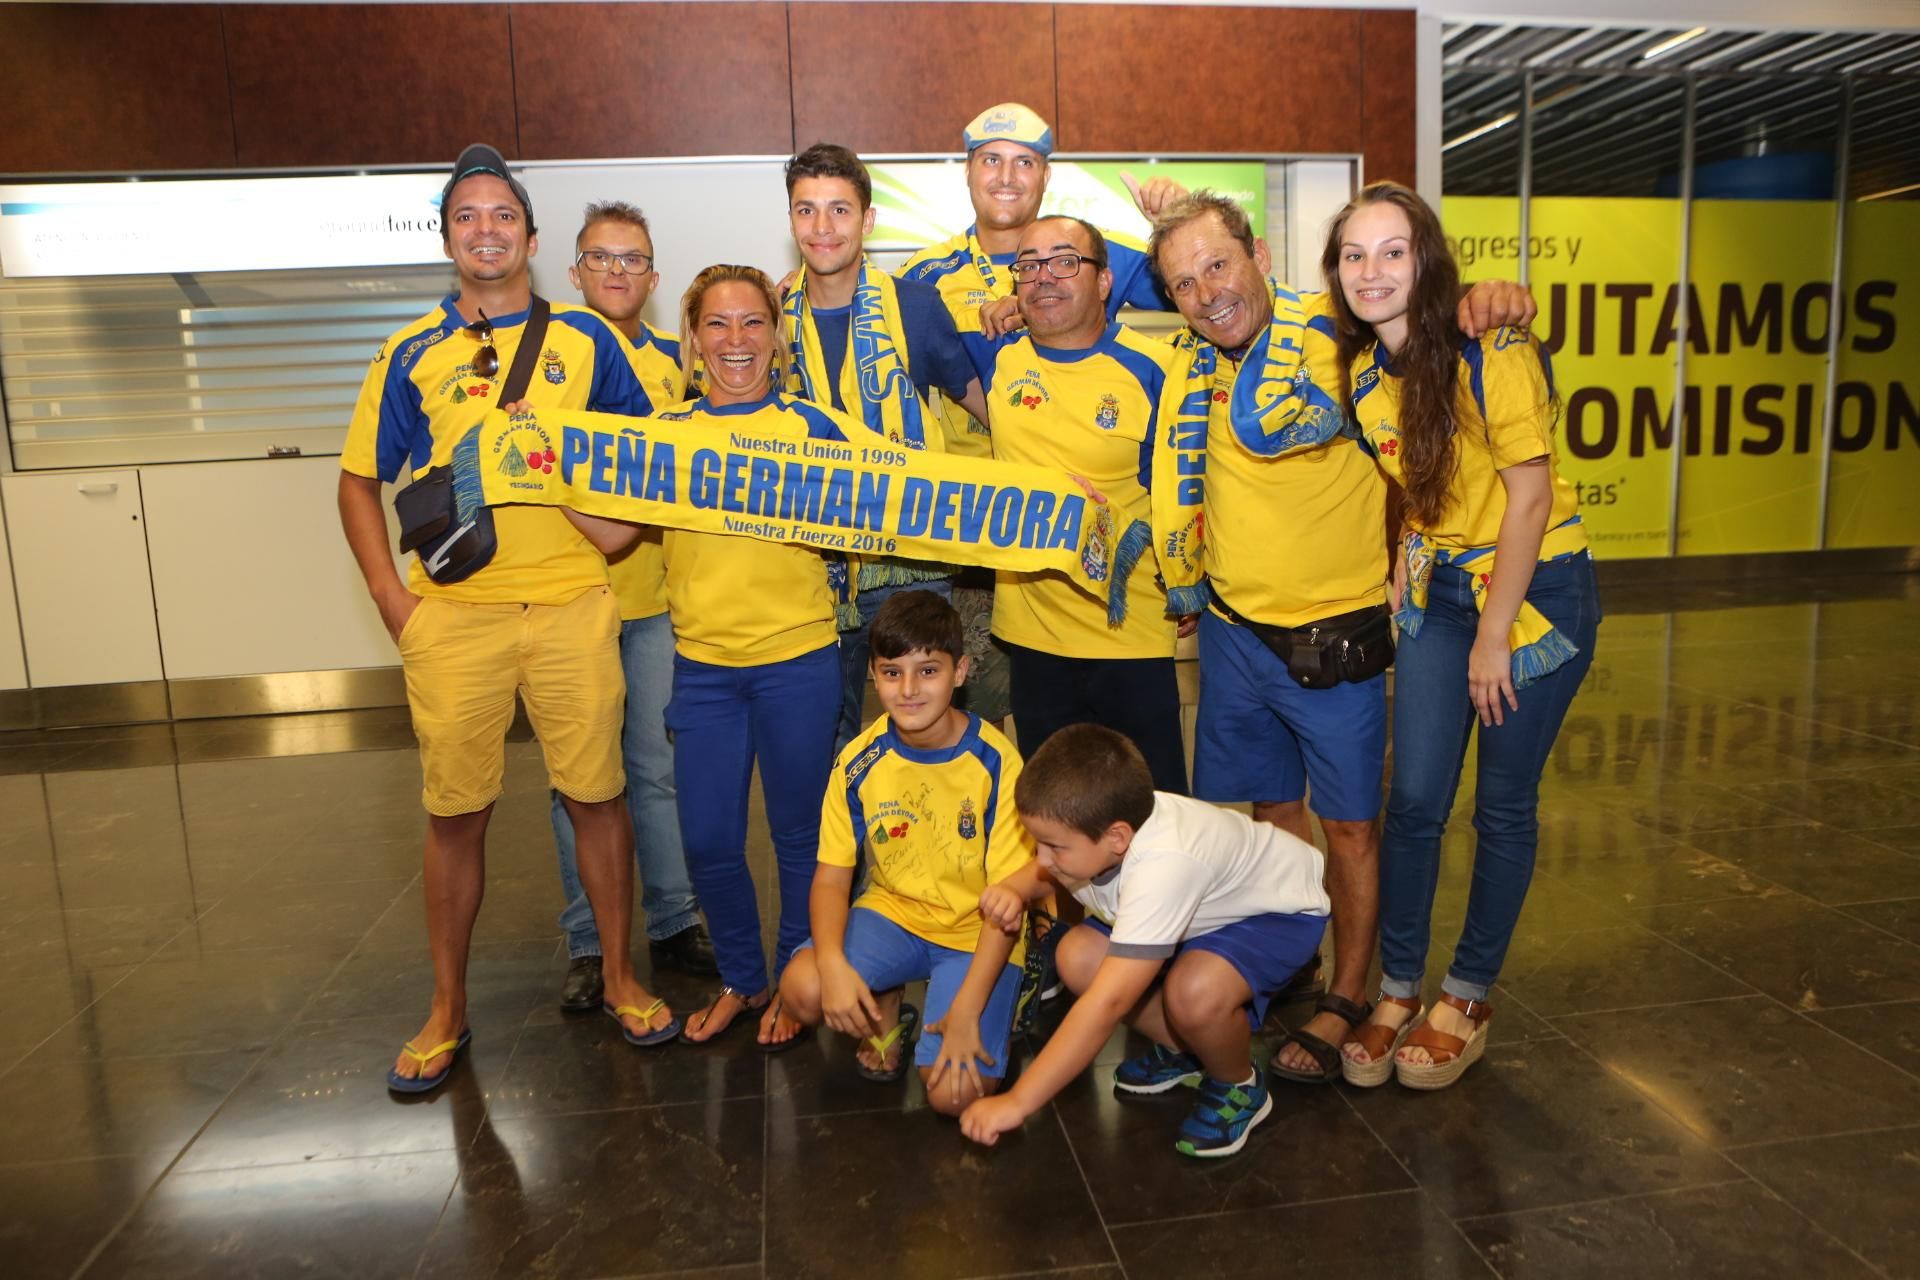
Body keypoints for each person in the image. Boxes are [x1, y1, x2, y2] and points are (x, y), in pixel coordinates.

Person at [1146, 191, 1536, 1084]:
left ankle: (1352, 993)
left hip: (1337, 638)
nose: (1207, 293)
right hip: (1236, 638)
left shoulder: (1340, 333)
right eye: (1183, 282)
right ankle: (1297, 963)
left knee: (1352, 830)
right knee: (1273, 817)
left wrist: (1497, 297)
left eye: (1218, 264)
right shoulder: (1188, 360)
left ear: (1259, 251)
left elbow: (1431, 322)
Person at [339, 144, 677, 1092]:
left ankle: (617, 976)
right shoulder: (410, 353)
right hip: (455, 619)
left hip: (574, 607)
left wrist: (604, 522)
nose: (485, 230)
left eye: (502, 216)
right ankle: (447, 1011)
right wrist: (393, 602)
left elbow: (640, 464)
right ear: (447, 236)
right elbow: (358, 482)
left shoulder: (587, 343)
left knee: (598, 798)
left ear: (530, 235)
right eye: (466, 217)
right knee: (456, 815)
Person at [1327, 182, 1599, 1090]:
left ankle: (1469, 992)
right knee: (1414, 801)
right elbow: (1420, 483)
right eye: (1354, 255)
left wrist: (1492, 637)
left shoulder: (1494, 350)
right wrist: (1412, 565)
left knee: (1503, 806)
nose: (1372, 271)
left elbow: (1529, 495)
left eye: (1392, 251)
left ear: (1427, 261)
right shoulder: (1365, 374)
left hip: (1533, 594)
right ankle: (1399, 989)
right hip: (1440, 590)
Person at [900, 103, 1181, 731]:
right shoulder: (922, 277)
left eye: (1024, 162)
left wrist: (1181, 224)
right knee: (987, 745)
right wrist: (798, 286)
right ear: (968, 172)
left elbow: (1205, 293)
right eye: (991, 160)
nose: (1006, 176)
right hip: (971, 542)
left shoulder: (1088, 253)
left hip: (1096, 549)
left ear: (1045, 176)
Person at [659, 264, 867, 1049]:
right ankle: (742, 980)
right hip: (704, 670)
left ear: (778, 337)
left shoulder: (818, 429)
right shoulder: (661, 438)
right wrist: (543, 463)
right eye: (718, 323)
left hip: (799, 662)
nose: (736, 340)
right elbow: (613, 531)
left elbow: (894, 506)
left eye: (753, 323)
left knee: (800, 838)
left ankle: (793, 981)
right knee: (709, 839)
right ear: (693, 338)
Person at [960, 725, 1330, 1158]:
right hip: (1205, 907)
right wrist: (1016, 888)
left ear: (1117, 837)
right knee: (1077, 957)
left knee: (1194, 992)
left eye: (1053, 847)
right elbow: (1053, 870)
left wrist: (1018, 1101)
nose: (1042, 861)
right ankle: (1189, 1051)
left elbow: (1107, 1005)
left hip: (1279, 913)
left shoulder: (1162, 866)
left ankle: (1239, 1085)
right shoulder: (1105, 834)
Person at [548, 200, 715, 1012]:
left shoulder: (672, 364)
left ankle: (674, 919)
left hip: (650, 601)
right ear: (574, 272)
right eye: (600, 258)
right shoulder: (541, 356)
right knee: (576, 782)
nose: (617, 272)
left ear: (653, 277)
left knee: (655, 769)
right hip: (560, 601)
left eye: (632, 259)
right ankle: (587, 939)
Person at [778, 590, 1033, 1115]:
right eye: (892, 673)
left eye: (928, 671)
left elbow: (1010, 905)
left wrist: (965, 1011)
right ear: (872, 675)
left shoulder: (998, 763)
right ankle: (887, 1009)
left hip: (977, 933)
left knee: (951, 1096)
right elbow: (831, 877)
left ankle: (997, 996)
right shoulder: (857, 760)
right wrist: (831, 962)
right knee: (803, 988)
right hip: (893, 915)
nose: (910, 690)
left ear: (960, 672)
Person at [779, 143, 987, 751]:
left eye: (839, 210)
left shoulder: (917, 309)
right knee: (827, 740)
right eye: (807, 210)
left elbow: (987, 412)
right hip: (809, 566)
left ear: (867, 221)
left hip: (911, 559)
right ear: (790, 220)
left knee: (928, 734)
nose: (823, 228)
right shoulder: (769, 318)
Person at [985, 215, 1188, 793]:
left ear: (1104, 281)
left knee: (1155, 816)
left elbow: (1185, 496)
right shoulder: (998, 357)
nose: (1045, 277)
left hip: (1132, 635)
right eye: (1029, 265)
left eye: (1064, 261)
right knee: (1056, 822)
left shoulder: (1156, 368)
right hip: (1032, 638)